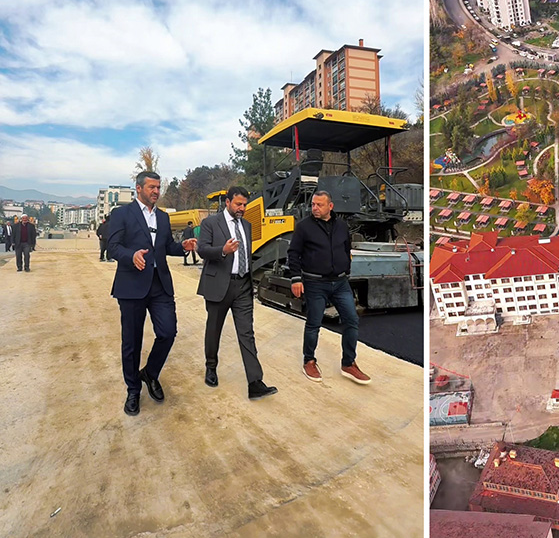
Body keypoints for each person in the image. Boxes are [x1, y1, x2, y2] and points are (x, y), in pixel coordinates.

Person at [107, 171, 198, 416]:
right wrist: (131, 256)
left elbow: (166, 246)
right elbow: (113, 247)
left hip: (159, 285)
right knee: (132, 342)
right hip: (132, 285)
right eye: (151, 187)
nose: (156, 191)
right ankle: (133, 389)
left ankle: (150, 373)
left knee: (168, 332)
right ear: (138, 189)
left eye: (158, 187)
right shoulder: (122, 214)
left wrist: (183, 248)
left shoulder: (163, 217)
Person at [196, 186, 276, 400]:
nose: (242, 208)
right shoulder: (210, 223)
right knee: (214, 329)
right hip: (218, 285)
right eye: (238, 204)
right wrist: (223, 250)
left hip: (242, 286)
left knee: (246, 333)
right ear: (228, 202)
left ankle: (255, 382)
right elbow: (202, 249)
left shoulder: (247, 225)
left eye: (244, 204)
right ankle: (211, 367)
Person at [288, 190, 370, 385]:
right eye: (313, 204)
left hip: (340, 283)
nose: (315, 208)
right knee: (314, 324)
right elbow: (293, 253)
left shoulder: (342, 226)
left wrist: (346, 269)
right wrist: (296, 279)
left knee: (351, 321)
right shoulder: (303, 227)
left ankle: (348, 363)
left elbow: (346, 248)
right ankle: (309, 360)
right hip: (315, 283)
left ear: (330, 207)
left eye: (319, 205)